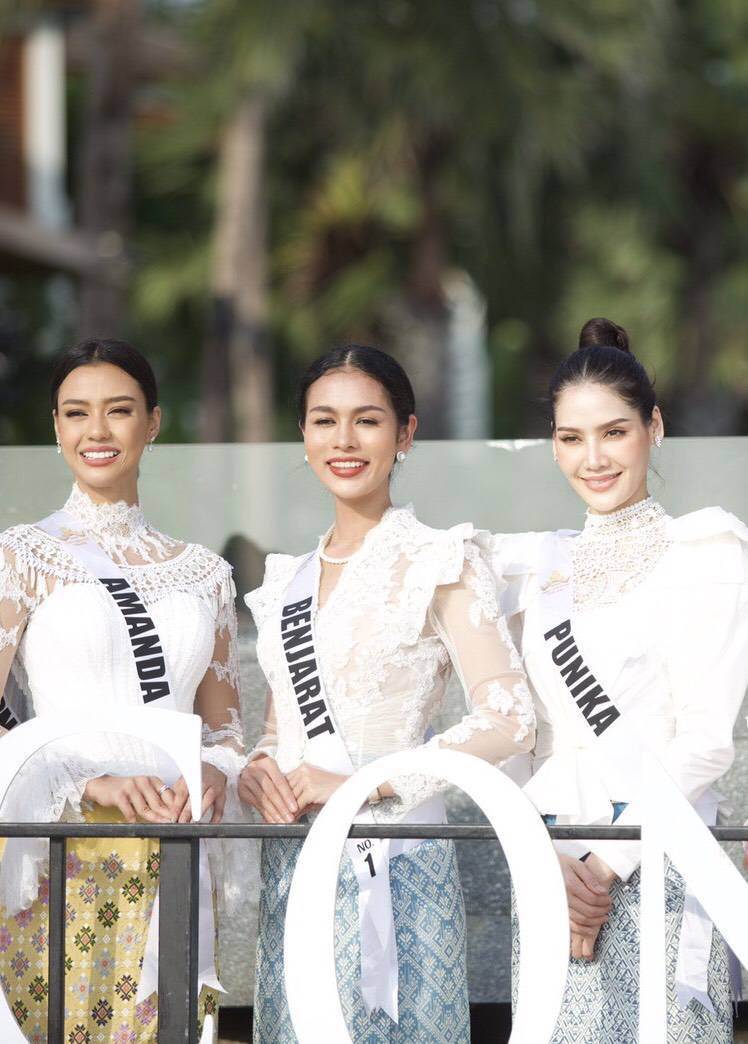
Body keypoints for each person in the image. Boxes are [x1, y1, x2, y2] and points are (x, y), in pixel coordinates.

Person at [239, 344, 535, 1043]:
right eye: (323, 421)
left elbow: (510, 718)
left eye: (366, 421)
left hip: (395, 861)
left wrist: (368, 783)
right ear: (303, 435)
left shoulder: (440, 559)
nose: (343, 441)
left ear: (405, 434)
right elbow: (278, 732)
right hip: (297, 868)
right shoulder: (287, 579)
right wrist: (257, 774)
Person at [479, 317, 748, 1042]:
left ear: (653, 427)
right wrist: (550, 858)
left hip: (657, 861)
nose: (592, 458)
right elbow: (527, 735)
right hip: (555, 870)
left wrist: (604, 865)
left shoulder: (705, 551)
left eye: (614, 433)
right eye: (571, 438)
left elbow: (706, 741)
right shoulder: (539, 567)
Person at [0, 339, 247, 1043]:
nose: (97, 431)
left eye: (119, 411)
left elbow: (227, 732)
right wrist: (92, 782)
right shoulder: (23, 556)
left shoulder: (204, 573)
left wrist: (211, 772)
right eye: (77, 414)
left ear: (154, 423)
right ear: (55, 428)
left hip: (174, 845)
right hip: (61, 850)